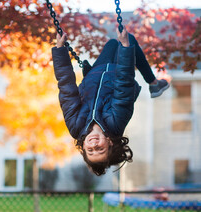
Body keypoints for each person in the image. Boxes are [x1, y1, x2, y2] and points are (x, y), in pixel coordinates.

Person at [52, 27, 169, 175]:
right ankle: (153, 84)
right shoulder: (115, 123)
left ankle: (153, 83)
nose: (93, 144)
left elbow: (66, 89)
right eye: (99, 148)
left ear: (84, 147)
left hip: (95, 73)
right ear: (110, 143)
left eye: (90, 150)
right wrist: (126, 49)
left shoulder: (76, 127)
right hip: (117, 73)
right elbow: (123, 86)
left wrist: (59, 50)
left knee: (113, 43)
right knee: (128, 41)